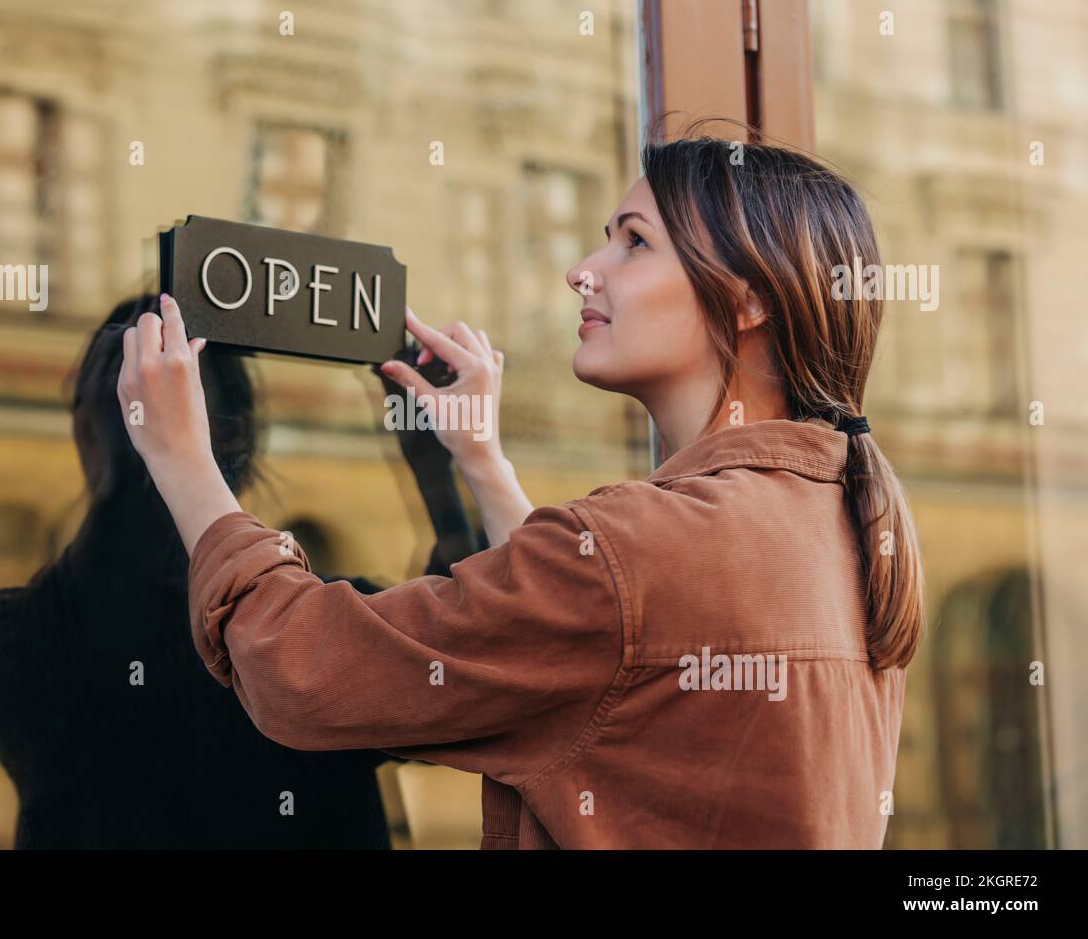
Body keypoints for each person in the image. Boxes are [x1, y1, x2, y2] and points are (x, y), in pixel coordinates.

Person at [116, 132, 925, 849]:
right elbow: (604, 654)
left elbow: (300, 671)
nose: (583, 271)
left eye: (635, 244)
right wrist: (482, 461)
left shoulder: (646, 550)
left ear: (749, 296)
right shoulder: (845, 515)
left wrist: (184, 460)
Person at [0, 295, 480, 848]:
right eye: (124, 402)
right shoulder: (319, 635)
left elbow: (460, 668)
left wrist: (160, 457)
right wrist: (443, 473)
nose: (131, 425)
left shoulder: (10, 639)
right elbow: (462, 660)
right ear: (239, 436)